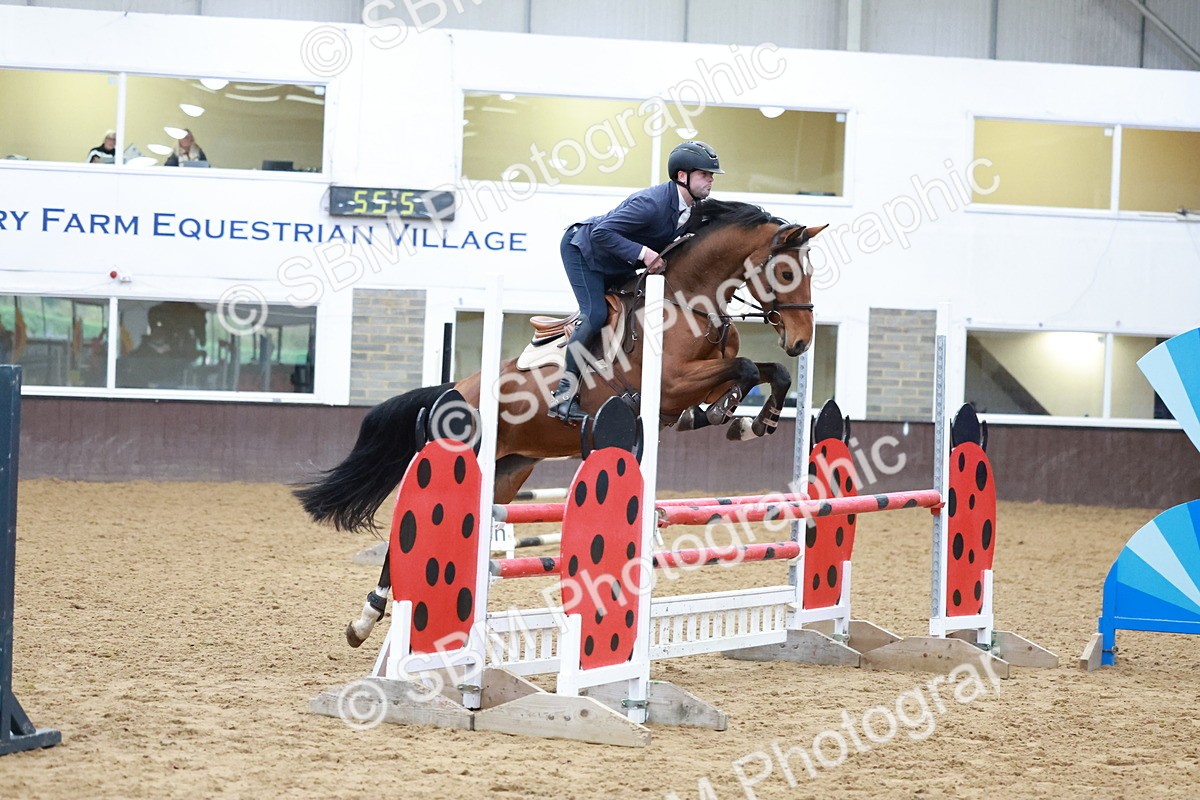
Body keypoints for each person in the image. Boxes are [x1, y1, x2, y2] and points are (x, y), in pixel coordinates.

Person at [547, 140, 723, 421]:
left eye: (711, 175)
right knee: (595, 314)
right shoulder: (651, 204)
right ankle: (563, 397)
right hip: (583, 250)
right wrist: (645, 254)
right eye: (704, 174)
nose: (711, 180)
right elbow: (601, 233)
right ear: (682, 176)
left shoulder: (693, 210)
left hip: (618, 261)